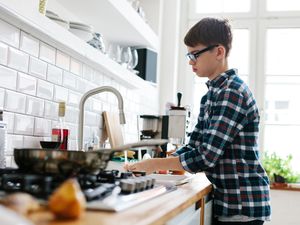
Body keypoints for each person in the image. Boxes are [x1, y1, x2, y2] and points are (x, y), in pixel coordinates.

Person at [125, 17, 271, 225]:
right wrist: (164, 161)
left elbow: (206, 156)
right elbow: (195, 145)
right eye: (189, 54)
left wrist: (155, 164)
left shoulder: (232, 93)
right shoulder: (212, 95)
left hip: (241, 203)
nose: (190, 61)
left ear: (219, 52)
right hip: (230, 202)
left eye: (195, 54)